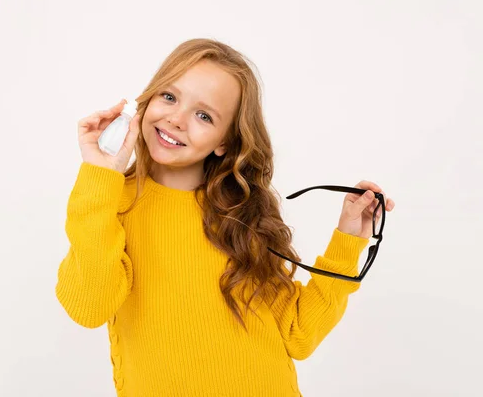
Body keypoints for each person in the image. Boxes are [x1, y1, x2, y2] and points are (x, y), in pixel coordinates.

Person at [55, 38, 395, 396]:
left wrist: (349, 239)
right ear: (148, 99)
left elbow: (298, 333)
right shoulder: (108, 201)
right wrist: (99, 174)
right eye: (169, 97)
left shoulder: (239, 214)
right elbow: (89, 306)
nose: (176, 119)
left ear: (224, 142)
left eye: (204, 116)